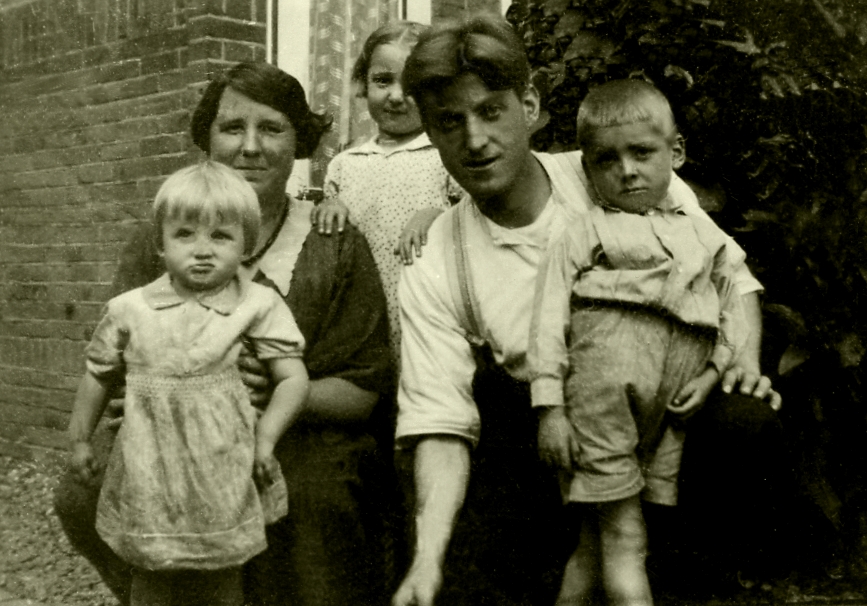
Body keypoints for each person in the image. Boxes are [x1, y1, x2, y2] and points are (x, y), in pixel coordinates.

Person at [391, 13, 780, 606]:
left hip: (672, 409)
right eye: (450, 121)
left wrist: (742, 361)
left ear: (529, 105)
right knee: (475, 580)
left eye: (491, 111)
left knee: (744, 420)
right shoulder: (436, 258)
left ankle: (699, 576)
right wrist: (427, 560)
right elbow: (442, 423)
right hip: (555, 439)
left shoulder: (614, 166)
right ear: (430, 131)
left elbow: (734, 277)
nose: (474, 140)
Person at [54, 62, 393, 606]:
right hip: (172, 429)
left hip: (300, 434)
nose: (250, 147)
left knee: (310, 498)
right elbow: (115, 358)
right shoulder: (160, 240)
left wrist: (271, 393)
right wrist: (129, 393)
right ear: (208, 139)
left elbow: (363, 391)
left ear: (299, 141)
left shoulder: (334, 242)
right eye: (233, 127)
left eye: (272, 128)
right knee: (84, 493)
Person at [528, 79, 748, 605]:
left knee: (593, 542)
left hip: (669, 410)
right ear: (588, 169)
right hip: (602, 400)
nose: (626, 170)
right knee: (626, 538)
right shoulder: (584, 232)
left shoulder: (702, 234)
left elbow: (732, 306)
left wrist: (713, 373)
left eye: (642, 153)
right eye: (606, 160)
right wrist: (550, 408)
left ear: (676, 152)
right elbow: (548, 319)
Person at [67, 161, 310, 606]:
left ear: (245, 244)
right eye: (185, 235)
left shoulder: (257, 304)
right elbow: (98, 372)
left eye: (220, 236)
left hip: (222, 465)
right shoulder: (130, 309)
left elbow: (293, 378)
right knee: (152, 575)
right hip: (149, 469)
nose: (202, 251)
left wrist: (266, 439)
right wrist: (80, 438)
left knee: (222, 577)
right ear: (160, 244)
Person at [310, 20, 462, 357]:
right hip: (358, 311)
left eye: (411, 85)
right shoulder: (345, 164)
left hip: (425, 306)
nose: (395, 96)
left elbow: (472, 220)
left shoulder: (446, 154)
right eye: (382, 80)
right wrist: (329, 208)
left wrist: (436, 216)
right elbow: (329, 239)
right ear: (363, 84)